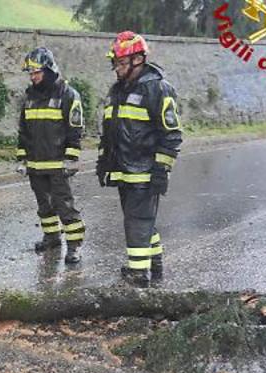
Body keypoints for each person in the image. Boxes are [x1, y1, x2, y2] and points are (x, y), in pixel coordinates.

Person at [96, 31, 183, 287]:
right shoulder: (118, 91)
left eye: (121, 63)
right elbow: (110, 131)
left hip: (144, 171)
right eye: (116, 64)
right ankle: (153, 265)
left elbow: (172, 134)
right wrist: (104, 160)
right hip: (124, 170)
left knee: (138, 222)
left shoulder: (157, 89)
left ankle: (138, 275)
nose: (117, 69)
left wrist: (161, 169)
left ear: (138, 60)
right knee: (143, 222)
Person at [17, 47, 85, 264]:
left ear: (48, 70)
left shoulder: (68, 94)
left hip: (57, 163)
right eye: (31, 73)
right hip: (36, 164)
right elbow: (24, 130)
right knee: (44, 205)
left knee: (63, 205)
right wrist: (22, 158)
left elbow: (75, 129)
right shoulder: (30, 96)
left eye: (36, 72)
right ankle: (52, 238)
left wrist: (71, 158)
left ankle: (74, 246)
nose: (33, 77)